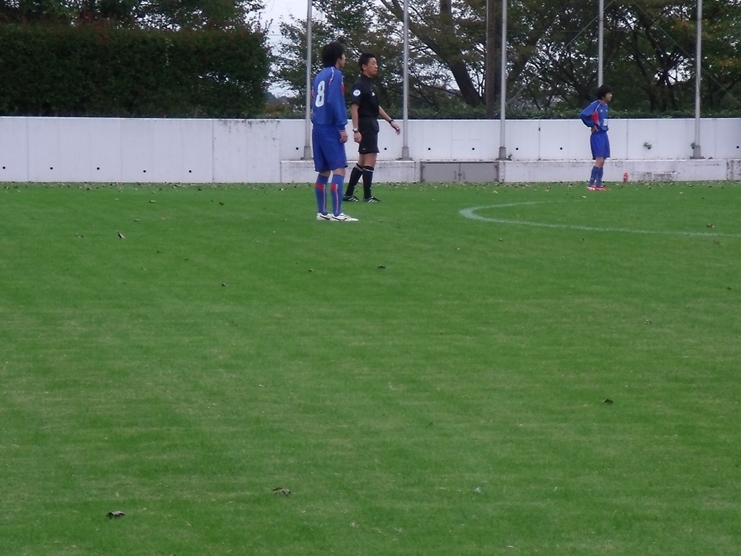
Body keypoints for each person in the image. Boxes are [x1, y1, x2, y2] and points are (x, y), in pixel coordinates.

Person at [343, 53, 401, 203]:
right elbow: (354, 107)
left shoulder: (370, 85)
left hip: (371, 123)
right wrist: (356, 130)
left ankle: (348, 194)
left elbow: (376, 107)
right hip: (366, 124)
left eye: (376, 63)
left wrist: (390, 121)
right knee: (370, 158)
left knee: (362, 161)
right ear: (364, 66)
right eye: (373, 63)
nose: (376, 66)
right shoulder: (360, 84)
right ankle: (367, 196)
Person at [311, 41, 358, 222]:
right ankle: (338, 213)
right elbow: (334, 101)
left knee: (324, 171)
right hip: (330, 128)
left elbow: (315, 100)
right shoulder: (335, 74)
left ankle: (322, 212)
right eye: (344, 55)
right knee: (339, 170)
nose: (345, 58)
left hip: (317, 127)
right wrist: (341, 127)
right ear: (338, 58)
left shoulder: (319, 76)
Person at [580, 84, 613, 191]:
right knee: (599, 159)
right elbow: (583, 115)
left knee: (603, 160)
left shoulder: (605, 106)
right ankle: (591, 184)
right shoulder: (596, 105)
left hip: (604, 134)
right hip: (597, 135)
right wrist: (591, 125)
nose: (611, 96)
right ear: (603, 95)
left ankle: (598, 184)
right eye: (609, 94)